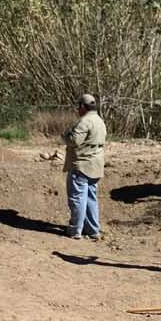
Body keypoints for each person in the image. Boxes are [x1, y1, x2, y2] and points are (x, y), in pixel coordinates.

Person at [64, 93, 107, 240]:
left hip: (81, 165)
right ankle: (93, 230)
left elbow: (74, 140)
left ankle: (76, 230)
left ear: (83, 106)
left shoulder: (84, 121)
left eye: (78, 106)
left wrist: (65, 136)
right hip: (95, 166)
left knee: (77, 198)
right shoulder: (100, 121)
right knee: (90, 198)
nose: (77, 109)